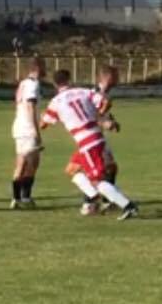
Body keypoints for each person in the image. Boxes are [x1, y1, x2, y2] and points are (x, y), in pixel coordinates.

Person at [41, 69, 138, 220]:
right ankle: (93, 198)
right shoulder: (83, 91)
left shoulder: (55, 102)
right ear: (69, 80)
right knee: (71, 169)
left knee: (96, 181)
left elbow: (43, 124)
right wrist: (99, 117)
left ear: (55, 84)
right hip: (95, 137)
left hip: (88, 143)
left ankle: (127, 206)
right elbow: (106, 102)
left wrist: (44, 117)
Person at [82, 65, 122, 215]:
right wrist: (104, 123)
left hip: (98, 137)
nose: (118, 79)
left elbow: (102, 114)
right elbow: (89, 116)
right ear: (107, 77)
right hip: (91, 137)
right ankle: (88, 203)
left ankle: (105, 201)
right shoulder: (95, 94)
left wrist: (112, 121)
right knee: (97, 171)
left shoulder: (104, 94)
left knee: (110, 168)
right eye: (116, 76)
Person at [10, 57, 46, 209]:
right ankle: (22, 198)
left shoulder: (23, 83)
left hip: (19, 127)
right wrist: (36, 130)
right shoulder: (33, 84)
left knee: (25, 162)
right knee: (29, 163)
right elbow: (30, 106)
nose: (46, 70)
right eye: (44, 67)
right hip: (27, 128)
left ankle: (19, 198)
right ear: (38, 68)